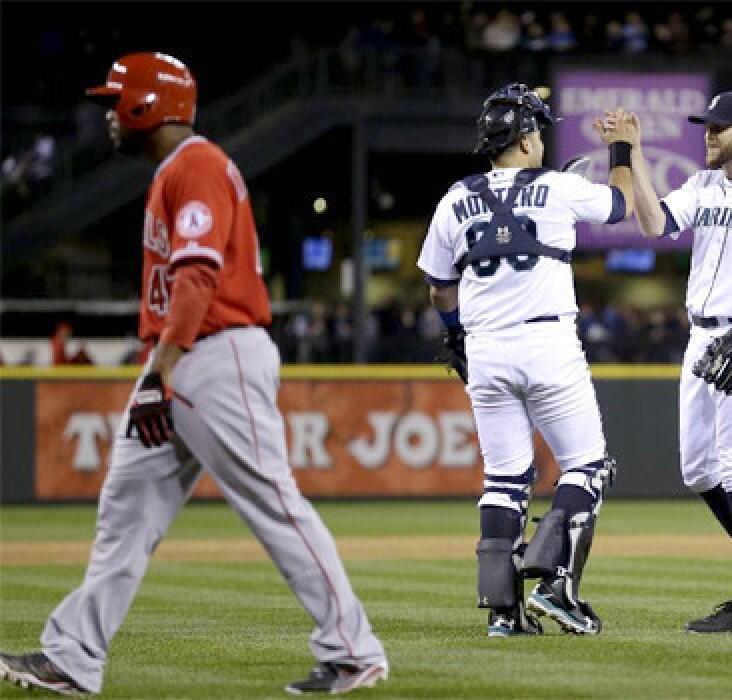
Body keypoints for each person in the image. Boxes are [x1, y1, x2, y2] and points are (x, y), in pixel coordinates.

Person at [0, 53, 387, 697]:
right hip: (184, 356)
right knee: (125, 512)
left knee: (273, 503)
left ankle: (353, 650)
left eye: (115, 101)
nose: (108, 116)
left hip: (215, 353)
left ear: (146, 106)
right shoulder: (176, 170)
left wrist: (164, 368)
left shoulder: (198, 165)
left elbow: (198, 274)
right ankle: (72, 656)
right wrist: (163, 366)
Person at [416, 83, 633, 637]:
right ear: (528, 137)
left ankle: (503, 614)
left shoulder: (452, 199)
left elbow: (440, 291)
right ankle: (557, 586)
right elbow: (621, 204)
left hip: (486, 349)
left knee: (505, 481)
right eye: (539, 129)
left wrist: (454, 333)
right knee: (587, 465)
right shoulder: (558, 187)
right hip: (547, 346)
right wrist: (624, 151)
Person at [607, 90, 732, 633]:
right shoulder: (703, 184)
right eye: (706, 127)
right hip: (702, 339)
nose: (708, 135)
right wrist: (635, 152)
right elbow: (653, 223)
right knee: (699, 469)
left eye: (718, 128)